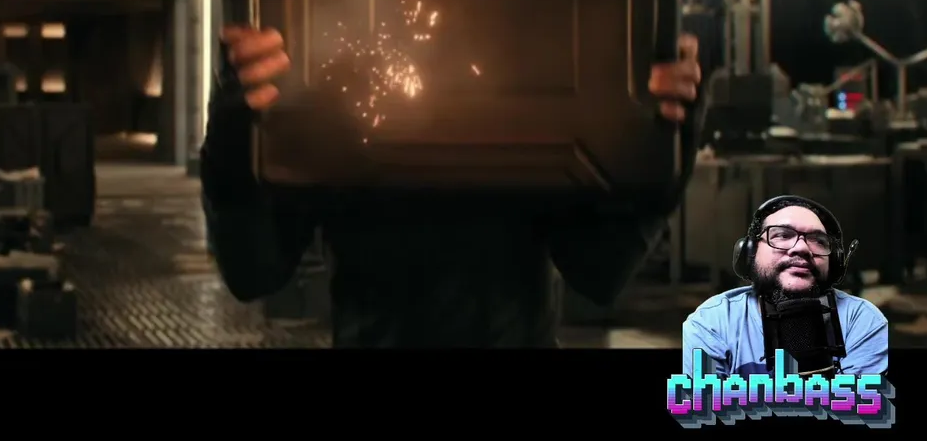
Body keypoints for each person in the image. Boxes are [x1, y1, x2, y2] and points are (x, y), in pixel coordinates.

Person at [201, 25, 703, 348]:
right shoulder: (347, 97)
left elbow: (600, 269)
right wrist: (235, 142)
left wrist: (659, 142)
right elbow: (253, 269)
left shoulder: (529, 99)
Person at [681, 196, 888, 377]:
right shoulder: (712, 323)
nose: (802, 248)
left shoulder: (862, 321)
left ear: (834, 263)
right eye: (782, 235)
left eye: (818, 241)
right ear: (750, 253)